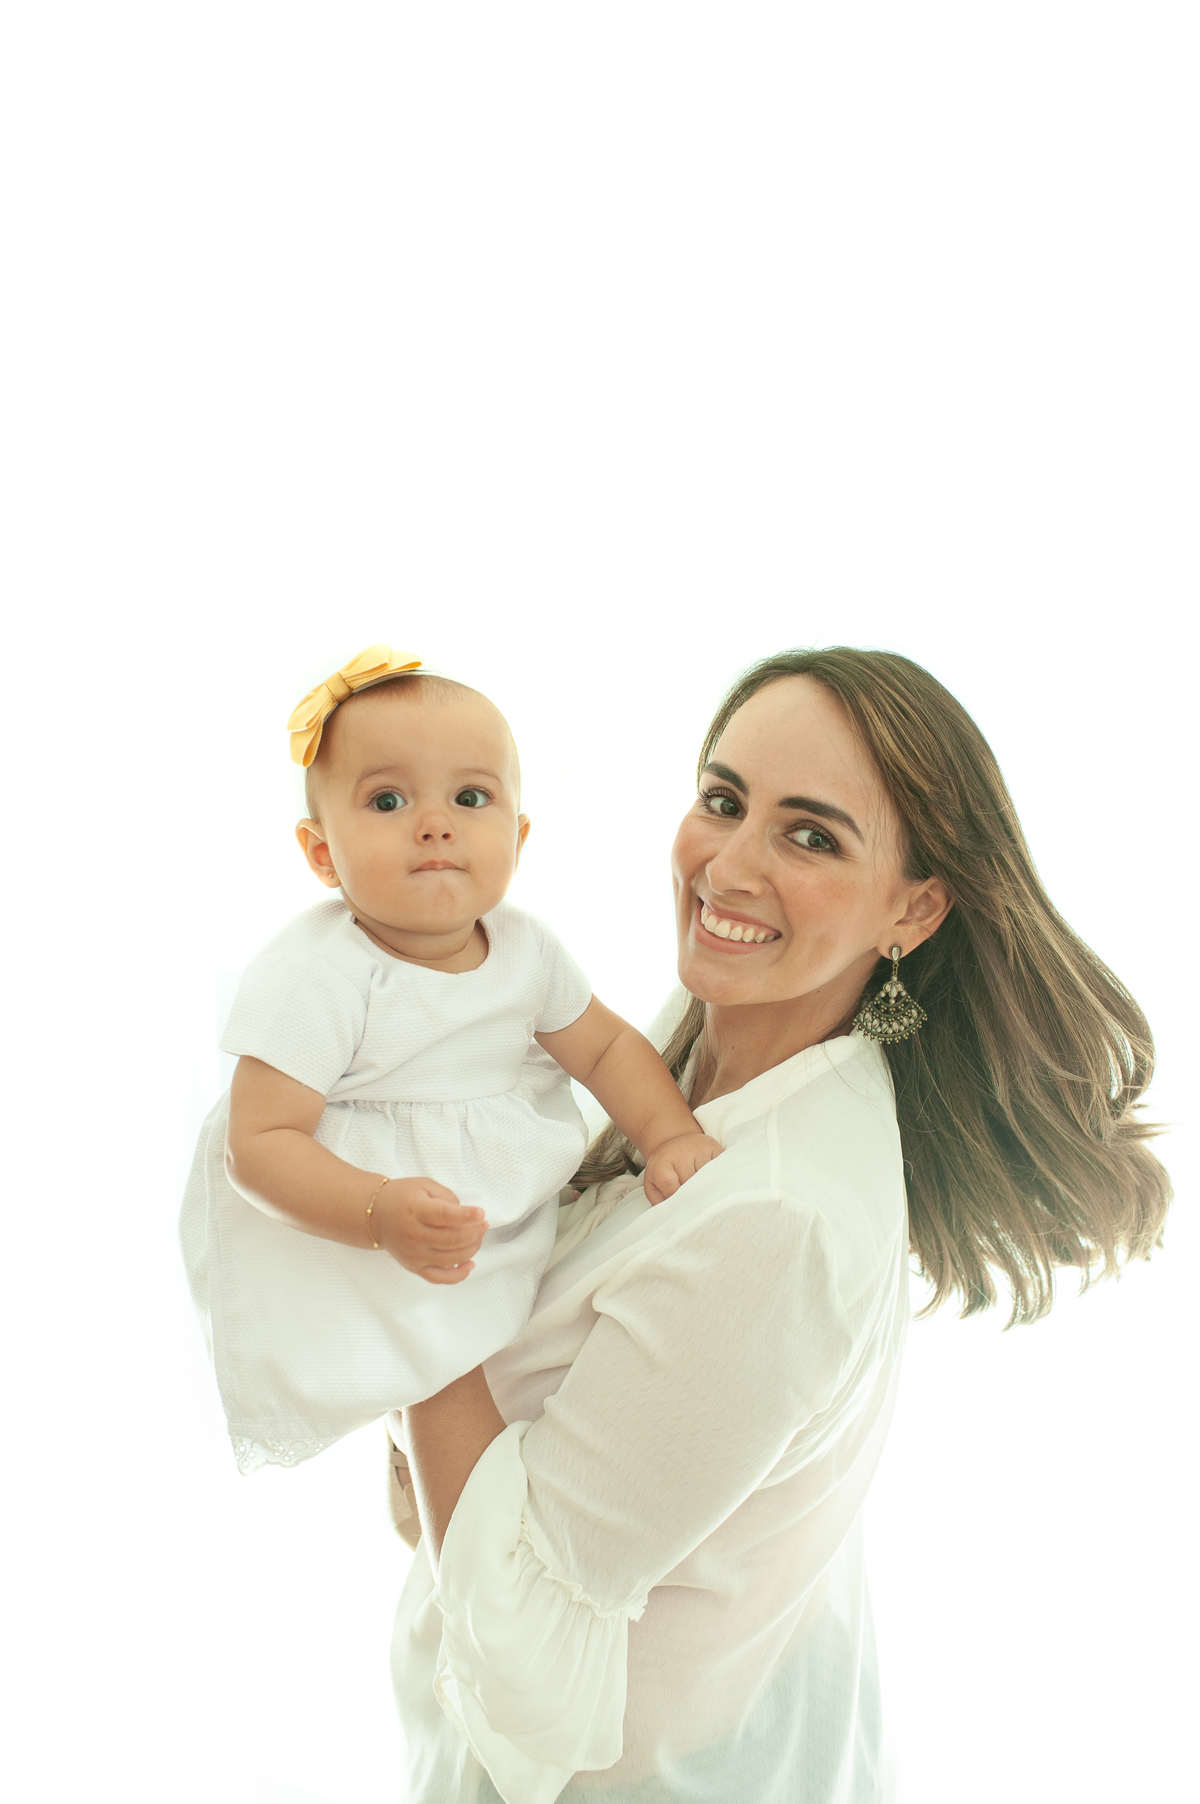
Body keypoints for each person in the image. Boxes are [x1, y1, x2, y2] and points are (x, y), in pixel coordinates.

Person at [388, 647, 1171, 1804]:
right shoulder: (699, 1048)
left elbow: (522, 1662)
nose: (728, 865)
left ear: (914, 909)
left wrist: (401, 1282)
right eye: (722, 800)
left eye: (811, 835)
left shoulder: (781, 1216)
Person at [180, 645, 721, 1474]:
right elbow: (258, 1146)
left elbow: (606, 1047)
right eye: (388, 800)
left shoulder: (525, 949)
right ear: (322, 853)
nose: (434, 823)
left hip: (481, 1201)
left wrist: (670, 1130)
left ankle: (458, 1471)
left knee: (497, 1356)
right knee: (422, 1377)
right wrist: (376, 1210)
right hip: (341, 1212)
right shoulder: (320, 973)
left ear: (518, 833)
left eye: (470, 797)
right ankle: (438, 1494)